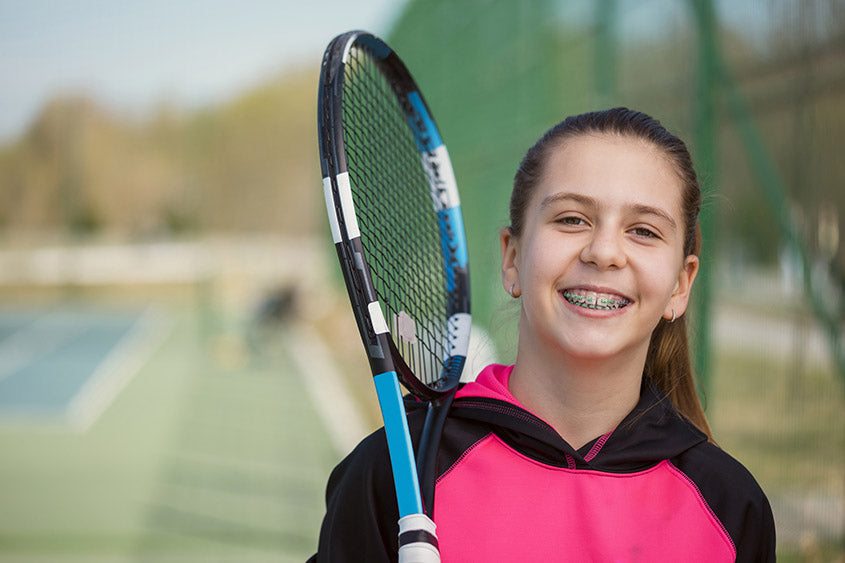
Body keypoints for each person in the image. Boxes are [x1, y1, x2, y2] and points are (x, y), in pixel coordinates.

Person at [309, 107, 776, 562]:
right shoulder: (400, 473)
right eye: (572, 219)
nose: (604, 252)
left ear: (680, 285)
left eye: (643, 230)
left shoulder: (731, 508)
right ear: (512, 259)